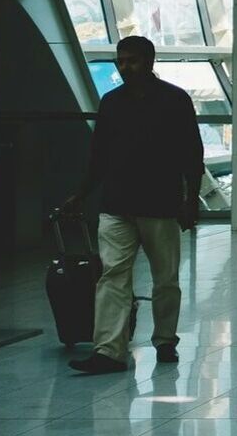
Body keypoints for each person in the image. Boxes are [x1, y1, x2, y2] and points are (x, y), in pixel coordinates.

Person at [64, 36, 203, 374]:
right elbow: (98, 156)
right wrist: (82, 193)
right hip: (116, 204)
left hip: (161, 205)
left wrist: (190, 202)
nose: (125, 67)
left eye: (132, 61)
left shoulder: (175, 100)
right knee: (112, 276)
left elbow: (191, 154)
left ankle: (165, 339)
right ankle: (109, 350)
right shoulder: (111, 102)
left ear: (149, 62)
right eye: (121, 61)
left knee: (165, 279)